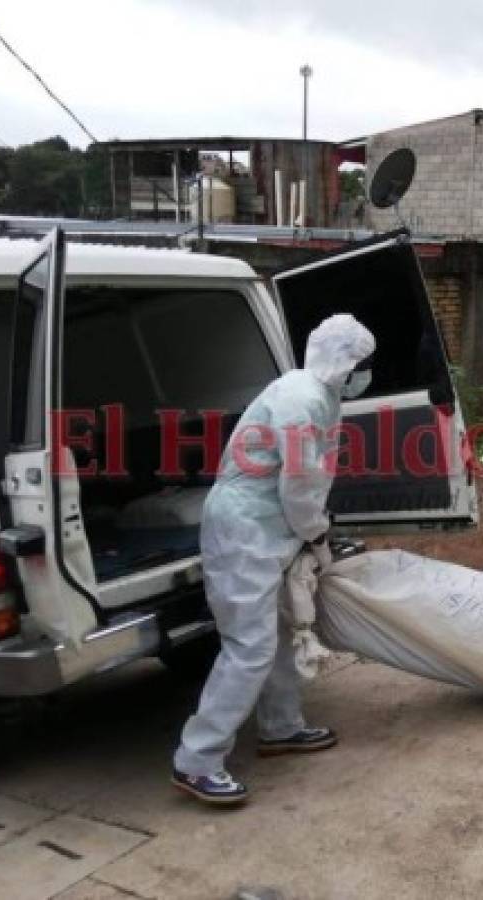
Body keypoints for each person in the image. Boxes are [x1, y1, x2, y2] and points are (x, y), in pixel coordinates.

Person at [172, 313, 377, 805]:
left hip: (270, 527)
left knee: (280, 632)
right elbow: (300, 480)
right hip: (245, 529)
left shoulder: (319, 395)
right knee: (250, 646)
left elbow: (310, 477)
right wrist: (315, 531)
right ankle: (196, 759)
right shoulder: (302, 399)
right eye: (360, 363)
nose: (364, 373)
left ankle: (281, 728)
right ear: (341, 361)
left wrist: (307, 532)